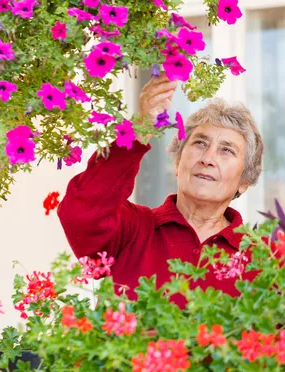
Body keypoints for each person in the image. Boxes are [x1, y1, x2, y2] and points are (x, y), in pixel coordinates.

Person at [57, 74, 264, 307]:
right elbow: (80, 212)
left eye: (226, 150)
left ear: (245, 181)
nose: (208, 158)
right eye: (200, 143)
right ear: (177, 163)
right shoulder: (131, 229)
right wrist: (140, 129)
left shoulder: (261, 260)